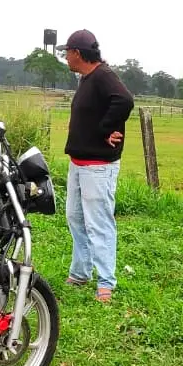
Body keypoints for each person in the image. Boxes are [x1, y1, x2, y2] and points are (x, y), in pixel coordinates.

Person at [55, 30, 134, 303]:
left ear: (78, 53)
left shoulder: (103, 76)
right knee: (76, 218)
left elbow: (124, 100)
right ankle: (80, 271)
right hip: (79, 163)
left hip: (98, 165)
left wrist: (106, 128)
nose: (65, 56)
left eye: (67, 52)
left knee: (98, 222)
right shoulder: (86, 79)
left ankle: (106, 282)